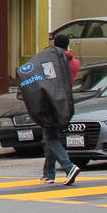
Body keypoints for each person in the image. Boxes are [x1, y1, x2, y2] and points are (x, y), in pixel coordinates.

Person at [37, 34, 81, 186]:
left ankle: (69, 167)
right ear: (68, 45)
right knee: (51, 136)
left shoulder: (50, 62)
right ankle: (48, 174)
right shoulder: (75, 63)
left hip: (51, 102)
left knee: (50, 138)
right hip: (65, 104)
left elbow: (45, 79)